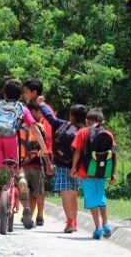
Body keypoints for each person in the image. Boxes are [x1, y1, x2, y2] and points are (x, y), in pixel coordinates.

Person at [0, 79, 48, 229]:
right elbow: (34, 128)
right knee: (18, 172)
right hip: (12, 141)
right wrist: (43, 148)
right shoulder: (22, 108)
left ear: (5, 93)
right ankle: (24, 195)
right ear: (19, 95)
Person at [38, 99, 87, 233]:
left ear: (71, 115)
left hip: (61, 164)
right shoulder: (84, 132)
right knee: (73, 195)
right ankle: (74, 222)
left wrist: (42, 104)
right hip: (76, 168)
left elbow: (50, 117)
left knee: (65, 194)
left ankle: (70, 222)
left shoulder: (63, 125)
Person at [71, 108, 117, 240]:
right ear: (101, 121)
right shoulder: (108, 133)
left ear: (88, 120)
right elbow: (113, 154)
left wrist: (74, 167)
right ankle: (106, 224)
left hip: (87, 172)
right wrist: (113, 172)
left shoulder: (82, 132)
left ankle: (98, 228)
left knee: (92, 199)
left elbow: (78, 152)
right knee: (101, 195)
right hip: (103, 172)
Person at [22, 79, 54, 226]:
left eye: (26, 91)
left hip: (39, 154)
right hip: (28, 155)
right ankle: (35, 214)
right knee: (34, 187)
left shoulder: (42, 111)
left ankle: (38, 214)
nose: (24, 94)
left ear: (34, 92)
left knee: (37, 188)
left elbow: (47, 133)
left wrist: (46, 153)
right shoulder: (27, 109)